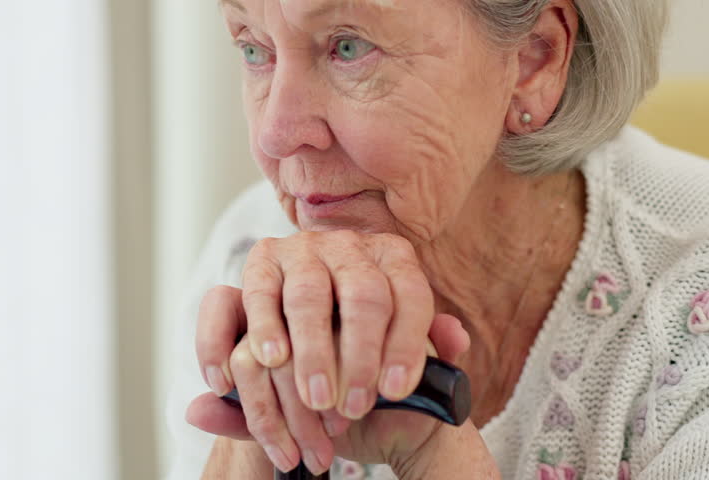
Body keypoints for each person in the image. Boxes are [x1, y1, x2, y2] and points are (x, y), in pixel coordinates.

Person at [165, 0, 709, 478]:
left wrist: (432, 443)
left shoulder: (691, 303)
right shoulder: (251, 250)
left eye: (348, 47)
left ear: (534, 59)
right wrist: (264, 432)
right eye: (253, 49)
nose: (275, 136)